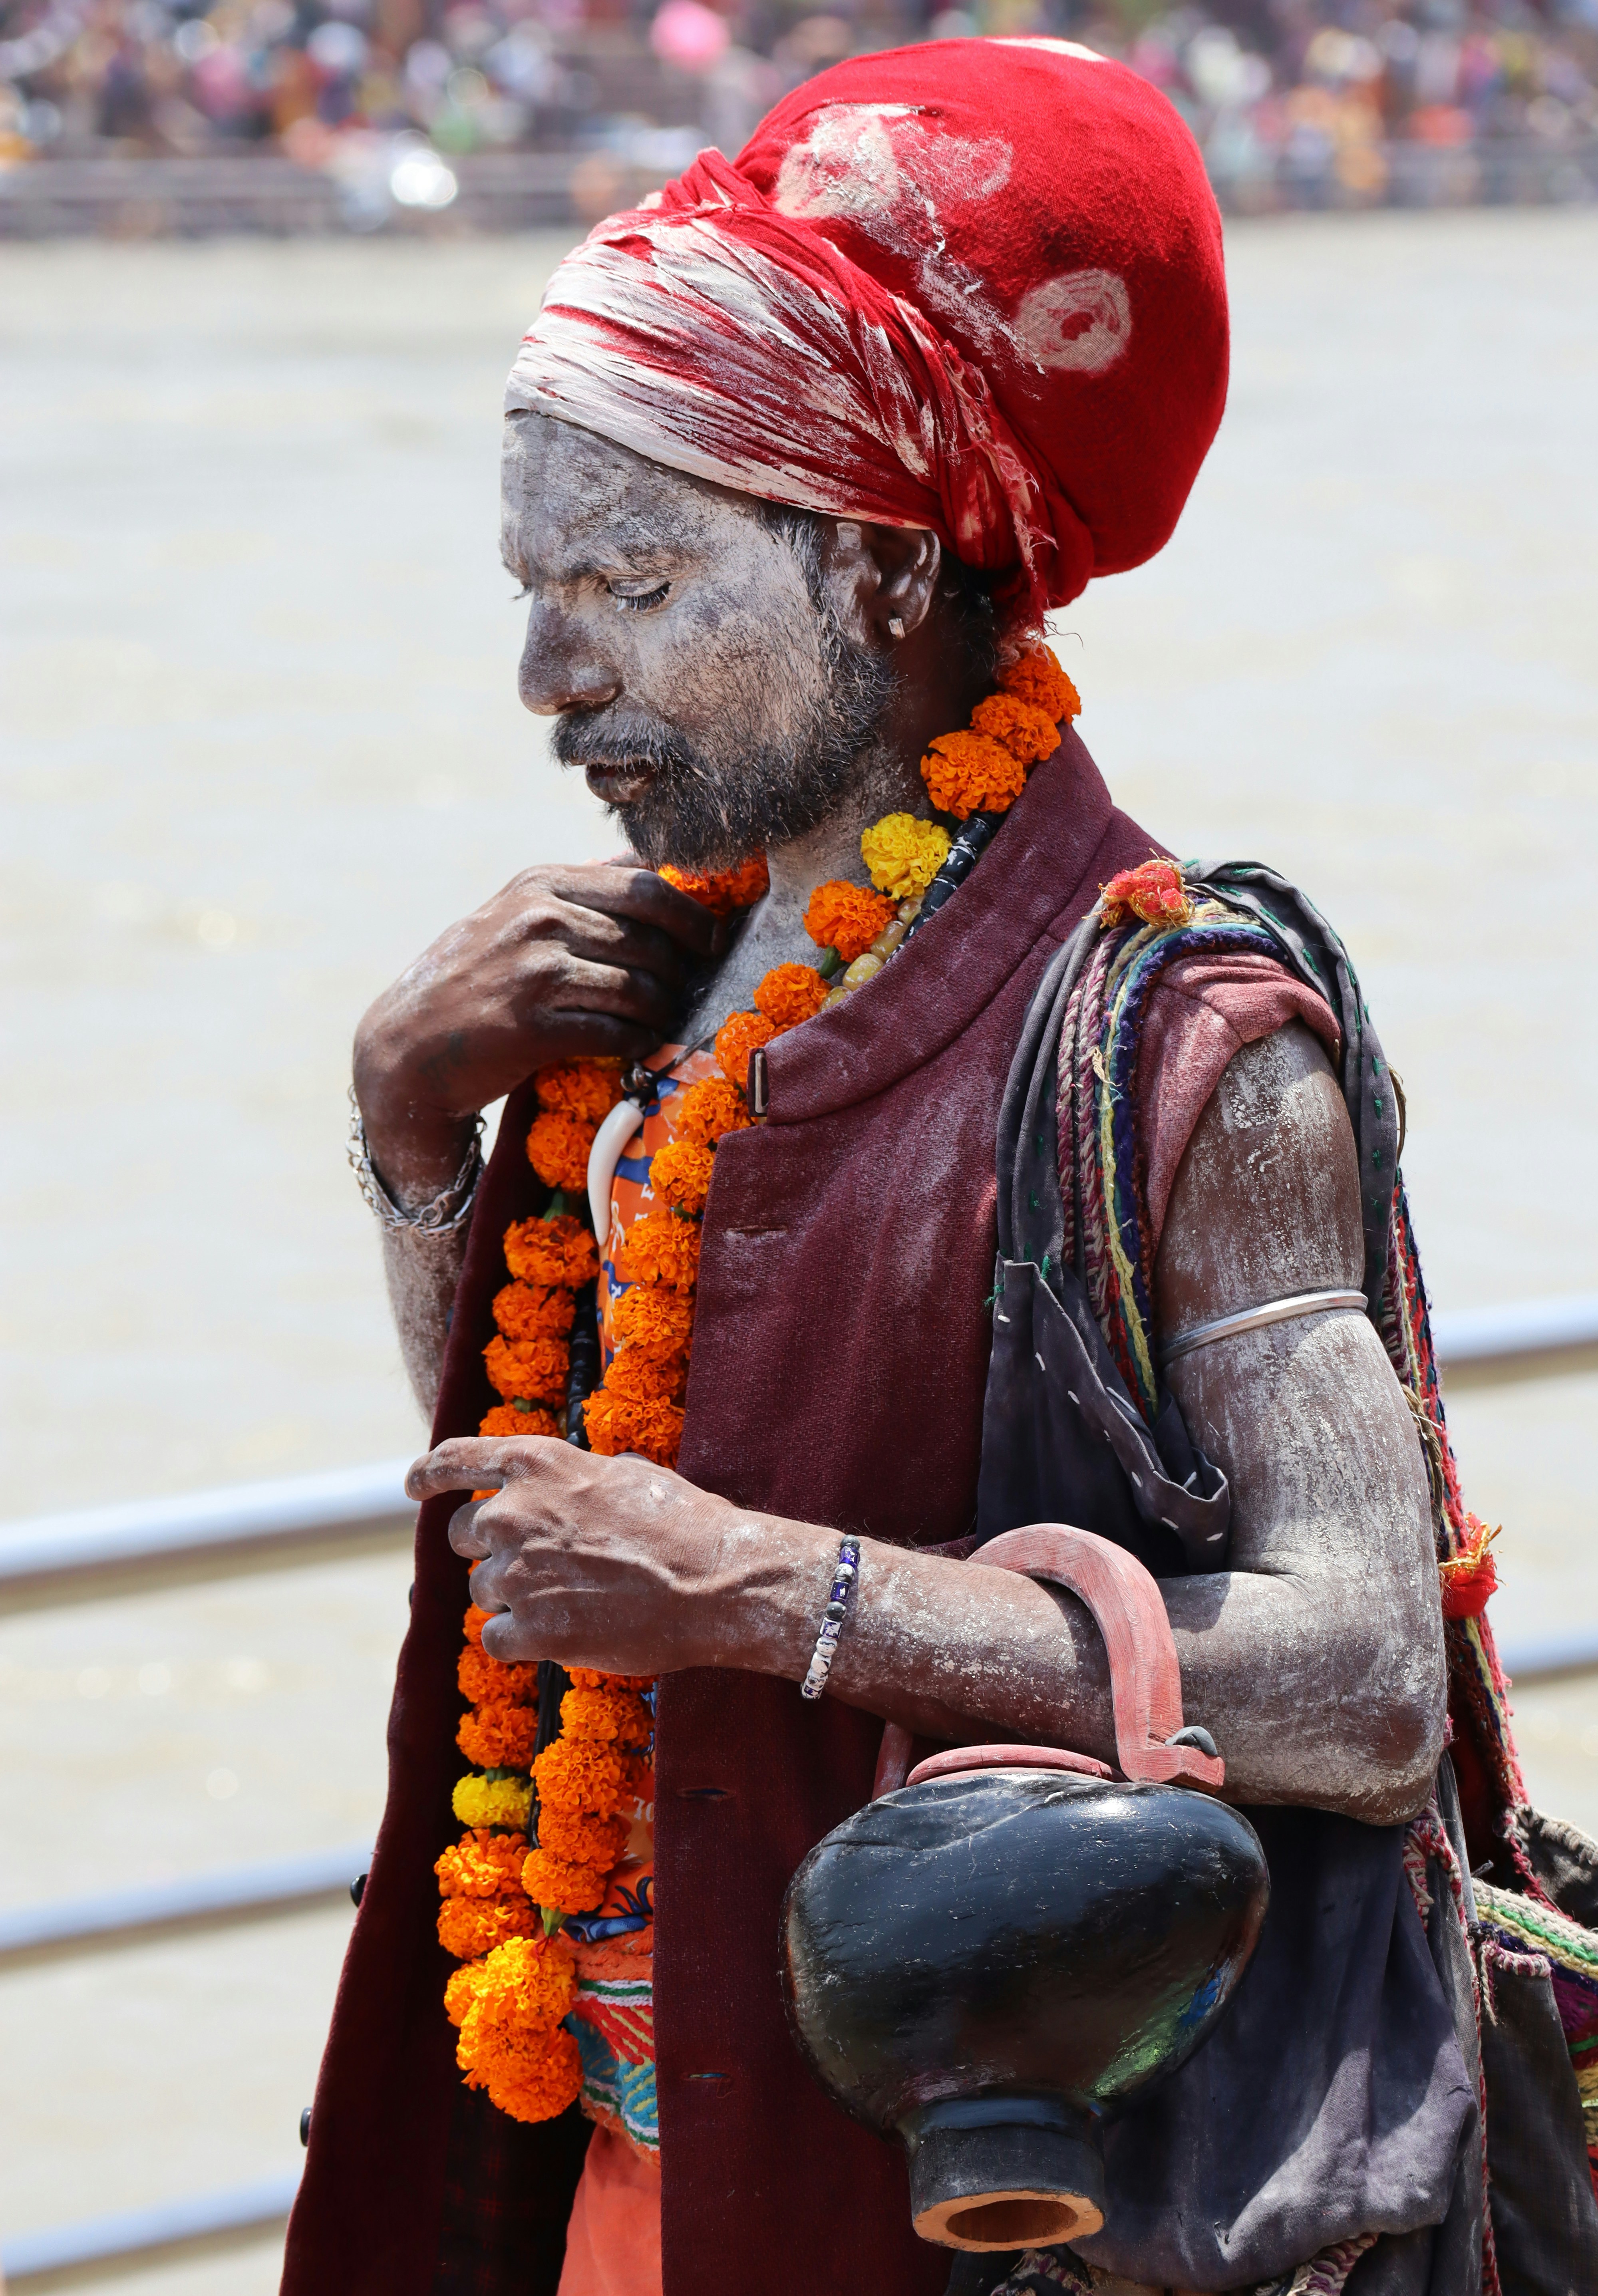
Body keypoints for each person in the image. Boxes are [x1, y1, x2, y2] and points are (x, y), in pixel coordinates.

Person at [284, 38, 1597, 2296]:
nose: (541, 671)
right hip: (616, 2157)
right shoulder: (647, 986)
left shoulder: (1183, 1035)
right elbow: (543, 1493)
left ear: (887, 569)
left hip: (983, 2215)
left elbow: (1368, 1673)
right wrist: (412, 1123)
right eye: (538, 584)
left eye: (627, 583)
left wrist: (766, 1592)